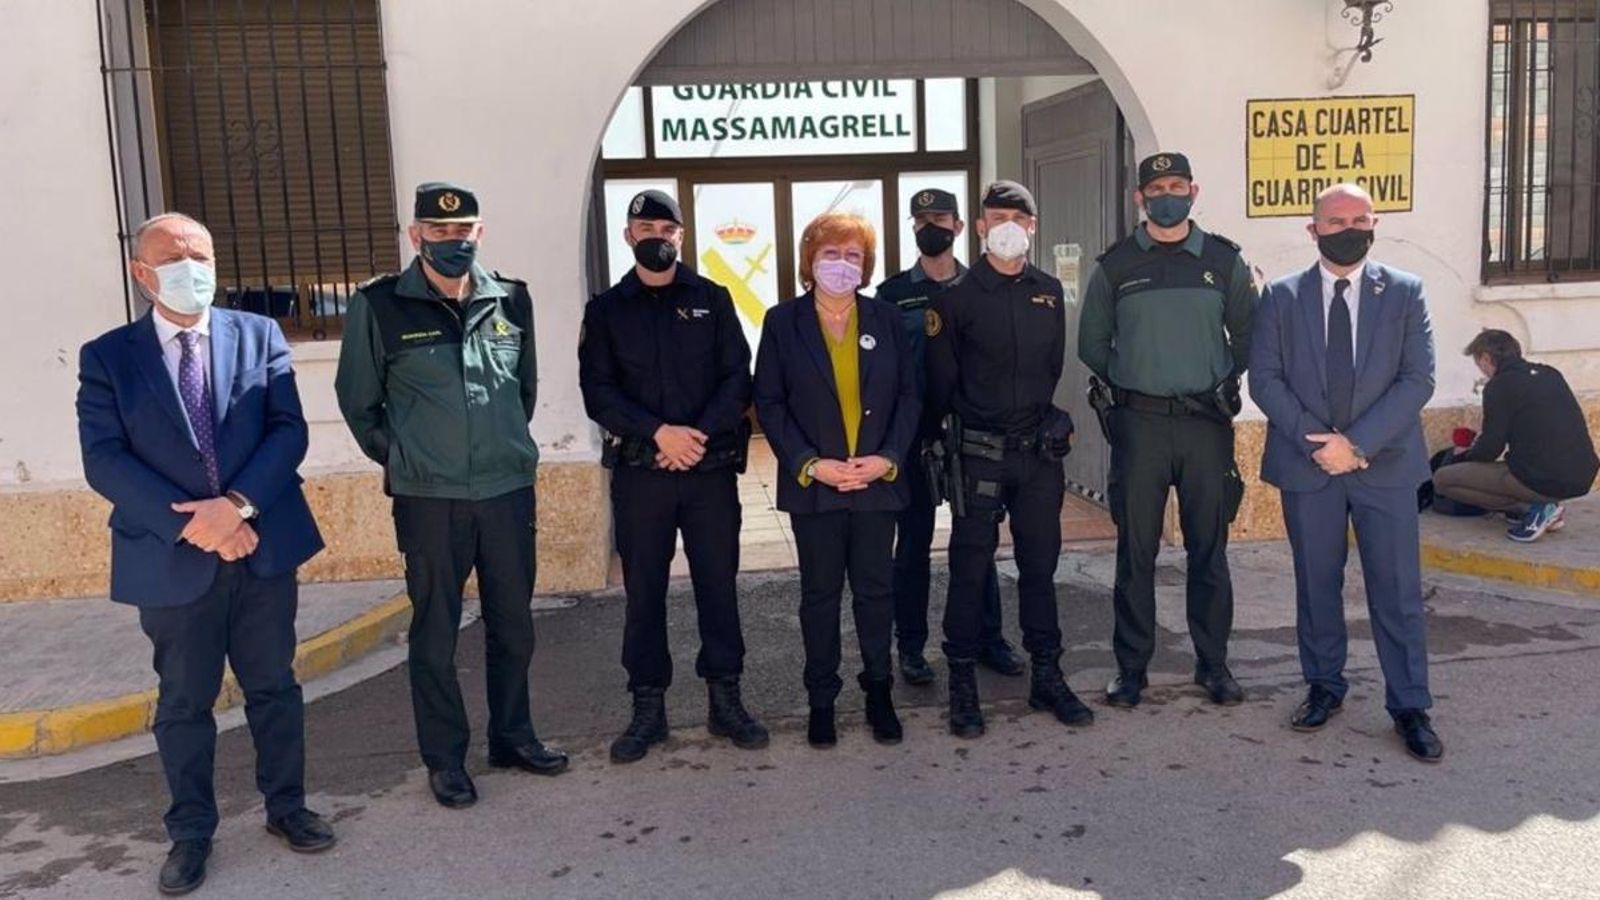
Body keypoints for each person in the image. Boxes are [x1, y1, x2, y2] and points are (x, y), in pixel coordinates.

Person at [77, 213, 333, 895]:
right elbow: (105, 461)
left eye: (203, 255)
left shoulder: (259, 334)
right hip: (172, 559)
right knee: (184, 703)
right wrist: (201, 526)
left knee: (274, 687)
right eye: (176, 256)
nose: (193, 268)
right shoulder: (107, 357)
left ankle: (288, 808)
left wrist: (238, 507)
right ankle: (191, 832)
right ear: (142, 273)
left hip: (262, 547)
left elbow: (288, 430)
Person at [335, 182, 567, 809]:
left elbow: (523, 390)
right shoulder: (380, 305)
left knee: (514, 624)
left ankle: (513, 736)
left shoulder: (511, 300)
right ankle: (445, 759)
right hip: (429, 500)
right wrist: (406, 458)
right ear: (417, 236)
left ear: (479, 234)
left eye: (463, 231)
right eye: (439, 233)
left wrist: (502, 450)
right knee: (435, 631)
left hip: (505, 491)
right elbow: (358, 403)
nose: (452, 241)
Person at [1249, 183, 1443, 763]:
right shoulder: (1281, 297)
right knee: (1316, 583)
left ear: (1375, 223)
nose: (1349, 228)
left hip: (1382, 465)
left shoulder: (1406, 292)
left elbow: (1419, 380)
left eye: (1360, 218)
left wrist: (1355, 445)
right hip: (1310, 467)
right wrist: (1320, 445)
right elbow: (1265, 379)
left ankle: (1410, 704)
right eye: (1336, 221)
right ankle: (1324, 686)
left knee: (1397, 590)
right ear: (1313, 230)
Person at [579, 189, 769, 763]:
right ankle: (647, 707)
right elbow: (598, 393)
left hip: (707, 472)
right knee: (644, 594)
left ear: (681, 236)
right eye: (645, 227)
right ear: (628, 237)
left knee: (718, 586)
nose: (656, 235)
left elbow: (738, 377)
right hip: (644, 476)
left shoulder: (713, 298)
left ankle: (725, 699)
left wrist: (695, 437)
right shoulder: (607, 311)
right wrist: (659, 433)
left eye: (667, 227)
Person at [1077, 152, 1256, 709]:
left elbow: (1248, 336)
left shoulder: (1223, 261)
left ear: (1194, 191)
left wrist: (1216, 381)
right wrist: (1140, 382)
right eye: (1156, 187)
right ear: (1140, 198)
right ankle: (1132, 670)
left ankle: (1214, 665)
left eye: (1177, 185)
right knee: (1136, 554)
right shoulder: (1116, 265)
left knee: (1210, 551)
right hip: (1141, 427)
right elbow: (1092, 345)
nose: (1167, 195)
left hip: (1206, 426)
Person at [924, 180, 1093, 738]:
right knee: (971, 569)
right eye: (996, 216)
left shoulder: (1048, 291)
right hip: (979, 456)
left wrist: (1053, 419)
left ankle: (1047, 673)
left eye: (1018, 217)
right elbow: (941, 384)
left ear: (1033, 226)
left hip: (1037, 458)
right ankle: (963, 686)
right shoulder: (955, 299)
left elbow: (1049, 370)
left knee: (1041, 568)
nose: (1007, 226)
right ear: (978, 227)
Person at [754, 211, 920, 747]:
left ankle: (879, 693)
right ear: (810, 261)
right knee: (820, 595)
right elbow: (770, 403)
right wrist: (810, 463)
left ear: (866, 264)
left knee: (875, 593)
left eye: (853, 256)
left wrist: (887, 458)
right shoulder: (782, 323)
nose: (842, 265)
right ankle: (821, 699)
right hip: (816, 485)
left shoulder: (888, 319)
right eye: (831, 254)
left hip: (877, 482)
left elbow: (908, 398)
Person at [876, 188, 1023, 686]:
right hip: (915, 435)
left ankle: (988, 638)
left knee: (976, 541)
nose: (929, 226)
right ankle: (911, 647)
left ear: (961, 227)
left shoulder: (983, 284)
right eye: (920, 219)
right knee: (912, 544)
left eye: (939, 217)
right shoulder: (892, 294)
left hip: (973, 433)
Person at [1434, 329, 1598, 542]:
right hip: (1583, 476)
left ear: (1485, 358)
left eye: (1478, 363)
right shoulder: (1550, 373)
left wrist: (1464, 455)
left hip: (1542, 480)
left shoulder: (1499, 386)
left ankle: (1534, 507)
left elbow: (1490, 450)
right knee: (1514, 471)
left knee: (1443, 479)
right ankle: (1541, 505)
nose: (1481, 370)